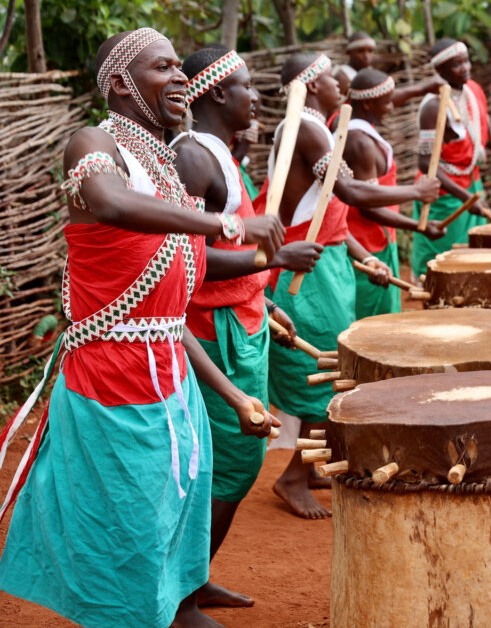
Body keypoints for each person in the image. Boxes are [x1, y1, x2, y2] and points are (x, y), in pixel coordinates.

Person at [0, 28, 283, 628]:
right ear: (119, 82)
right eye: (162, 67)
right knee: (128, 528)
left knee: (176, 513)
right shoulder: (93, 144)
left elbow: (160, 318)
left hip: (171, 383)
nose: (180, 78)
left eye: (179, 67)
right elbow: (109, 203)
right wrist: (221, 222)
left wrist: (233, 393)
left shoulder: (165, 167)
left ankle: (175, 610)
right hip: (114, 385)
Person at [171, 46, 324, 609]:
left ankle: (195, 578)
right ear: (216, 94)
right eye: (246, 87)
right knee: (227, 461)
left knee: (240, 458)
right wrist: (274, 263)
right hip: (214, 332)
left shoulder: (218, 155)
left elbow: (228, 250)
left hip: (243, 320)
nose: (256, 97)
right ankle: (179, 600)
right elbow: (191, 265)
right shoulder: (192, 159)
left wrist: (266, 297)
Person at [258, 53, 440, 518]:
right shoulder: (306, 127)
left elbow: (332, 218)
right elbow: (352, 193)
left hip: (328, 260)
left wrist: (363, 259)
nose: (342, 82)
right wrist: (415, 193)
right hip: (307, 271)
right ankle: (293, 476)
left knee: (333, 367)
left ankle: (312, 463)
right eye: (332, 75)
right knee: (326, 372)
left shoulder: (318, 126)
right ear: (312, 82)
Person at [343, 67, 446, 317]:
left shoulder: (349, 119)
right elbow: (367, 207)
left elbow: (390, 97)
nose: (392, 106)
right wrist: (417, 219)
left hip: (380, 240)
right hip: (368, 245)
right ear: (368, 103)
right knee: (375, 321)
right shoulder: (360, 144)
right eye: (387, 102)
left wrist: (423, 88)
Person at [412, 39, 491, 278]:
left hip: (471, 186)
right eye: (457, 65)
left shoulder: (473, 90)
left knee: (473, 258)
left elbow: (483, 126)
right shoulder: (433, 107)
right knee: (442, 262)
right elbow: (425, 163)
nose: (465, 68)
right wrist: (466, 198)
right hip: (445, 196)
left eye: (466, 61)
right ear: (440, 71)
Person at [333, 31, 445, 107]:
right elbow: (385, 99)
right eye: (360, 51)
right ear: (349, 53)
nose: (366, 56)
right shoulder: (343, 76)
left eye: (370, 51)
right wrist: (422, 88)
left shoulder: (368, 72)